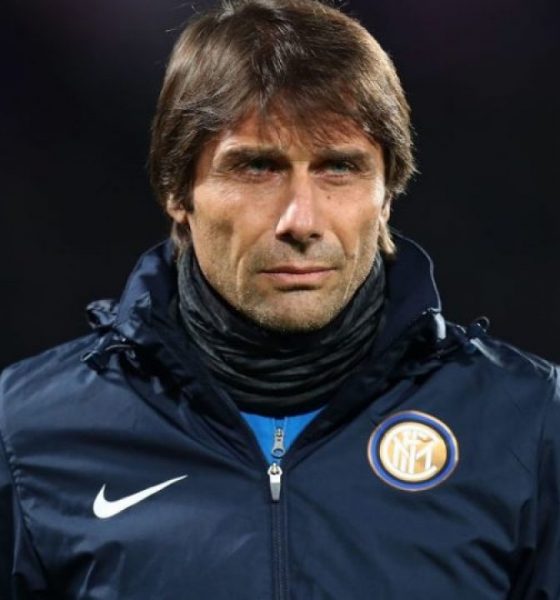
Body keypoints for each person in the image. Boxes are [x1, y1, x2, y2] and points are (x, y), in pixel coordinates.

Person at [1, 0, 559, 597]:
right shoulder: (27, 434)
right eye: (257, 168)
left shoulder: (529, 425)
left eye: (339, 168)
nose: (301, 220)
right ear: (177, 191)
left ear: (387, 196)